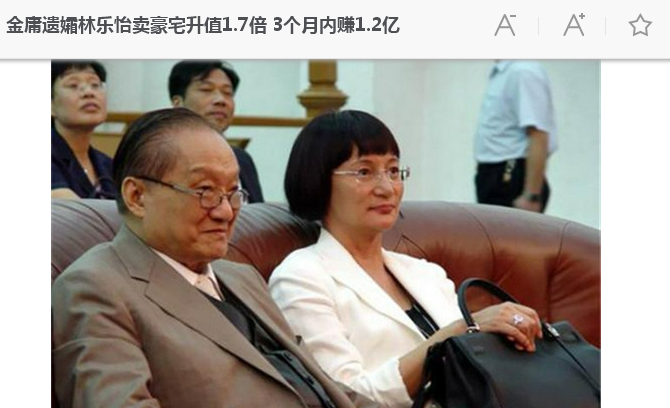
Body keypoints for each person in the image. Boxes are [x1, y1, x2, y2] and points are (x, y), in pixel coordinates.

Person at [51, 108, 374, 408]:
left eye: (233, 192)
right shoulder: (95, 287)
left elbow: (318, 386)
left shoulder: (241, 278)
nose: (225, 212)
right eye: (205, 191)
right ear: (137, 196)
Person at [269, 110, 543, 408]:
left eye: (393, 170)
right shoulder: (300, 276)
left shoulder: (425, 273)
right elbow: (347, 396)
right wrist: (464, 329)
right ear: (318, 180)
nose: (387, 188)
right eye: (364, 172)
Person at [168, 60, 264, 203]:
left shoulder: (242, 160)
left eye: (228, 92)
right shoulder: (162, 159)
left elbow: (257, 214)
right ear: (178, 103)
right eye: (206, 90)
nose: (221, 100)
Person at [474, 60, 557, 213]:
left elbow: (538, 134)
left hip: (509, 174)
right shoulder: (504, 72)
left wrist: (531, 195)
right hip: (494, 174)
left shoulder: (523, 71)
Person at [51, 60, 116, 199]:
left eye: (95, 85)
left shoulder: (109, 165)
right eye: (73, 85)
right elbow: (68, 208)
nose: (89, 92)